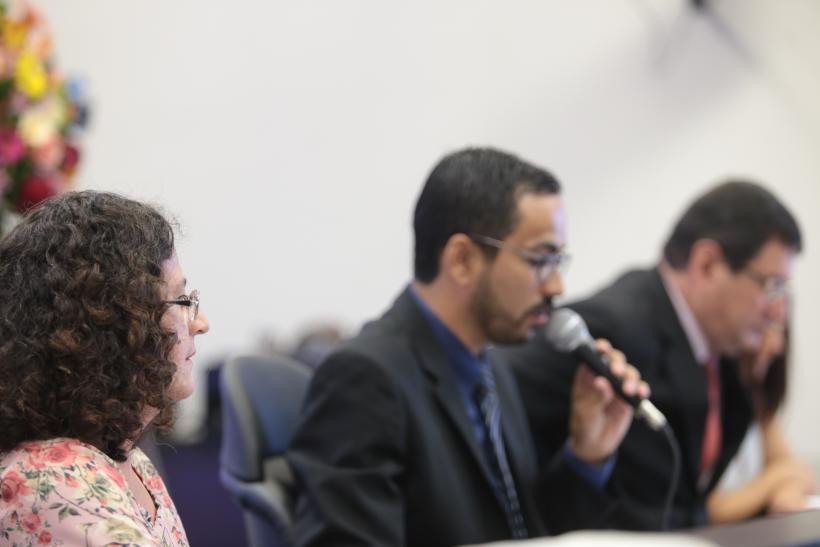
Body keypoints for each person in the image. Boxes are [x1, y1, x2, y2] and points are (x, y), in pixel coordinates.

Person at [287, 147, 649, 546]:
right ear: (462, 260)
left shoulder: (492, 367)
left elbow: (521, 533)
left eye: (558, 263)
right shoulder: (366, 378)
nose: (556, 287)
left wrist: (587, 455)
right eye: (539, 261)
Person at [505, 180, 803, 529]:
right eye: (772, 286)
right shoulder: (613, 326)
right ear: (707, 264)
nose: (779, 312)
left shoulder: (725, 352)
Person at [0, 191, 210, 545]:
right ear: (113, 323)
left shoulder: (129, 461)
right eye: (180, 301)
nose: (201, 323)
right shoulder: (54, 480)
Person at [707, 318, 816, 523]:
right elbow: (709, 510)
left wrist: (786, 489)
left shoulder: (758, 402)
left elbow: (792, 467)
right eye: (767, 327)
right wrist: (777, 479)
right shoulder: (710, 399)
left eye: (780, 331)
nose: (776, 345)